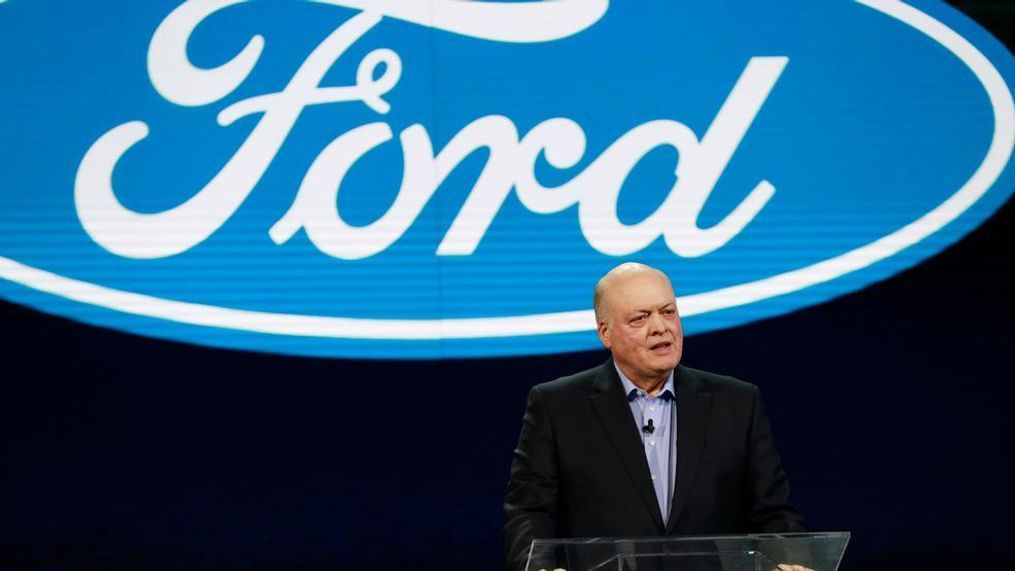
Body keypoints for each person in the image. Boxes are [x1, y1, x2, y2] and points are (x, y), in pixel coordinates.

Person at [502, 262, 805, 571]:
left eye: (668, 312)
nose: (661, 327)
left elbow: (774, 513)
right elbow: (529, 512)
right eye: (640, 318)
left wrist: (788, 561)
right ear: (605, 332)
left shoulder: (737, 402)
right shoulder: (557, 406)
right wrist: (538, 568)